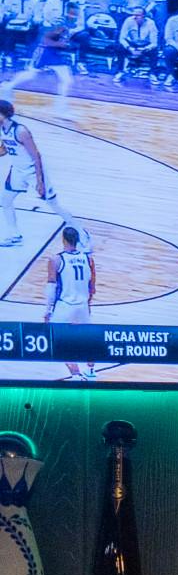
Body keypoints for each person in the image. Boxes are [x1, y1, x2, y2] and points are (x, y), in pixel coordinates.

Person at [0, 100, 83, 250]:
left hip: (33, 171)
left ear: (2, 114)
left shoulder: (20, 131)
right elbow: (5, 150)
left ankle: (81, 234)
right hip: (18, 171)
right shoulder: (2, 129)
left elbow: (36, 156)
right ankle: (15, 236)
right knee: (5, 201)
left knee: (53, 205)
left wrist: (39, 181)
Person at [44, 224, 92, 381]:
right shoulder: (88, 259)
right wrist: (87, 305)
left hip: (65, 305)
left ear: (63, 239)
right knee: (87, 340)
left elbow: (51, 286)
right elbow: (92, 286)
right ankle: (91, 371)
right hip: (83, 306)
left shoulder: (56, 259)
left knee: (56, 340)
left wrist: (48, 310)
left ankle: (76, 373)